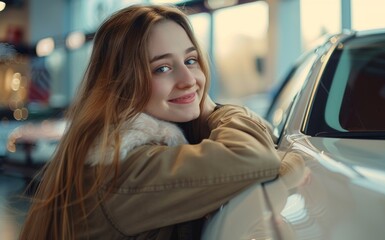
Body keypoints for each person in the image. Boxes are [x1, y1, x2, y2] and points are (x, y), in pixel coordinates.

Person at [19, 4, 281, 240]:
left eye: (190, 60)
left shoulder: (115, 152)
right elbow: (252, 157)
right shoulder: (123, 170)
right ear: (121, 84)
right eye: (162, 68)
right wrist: (212, 109)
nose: (188, 79)